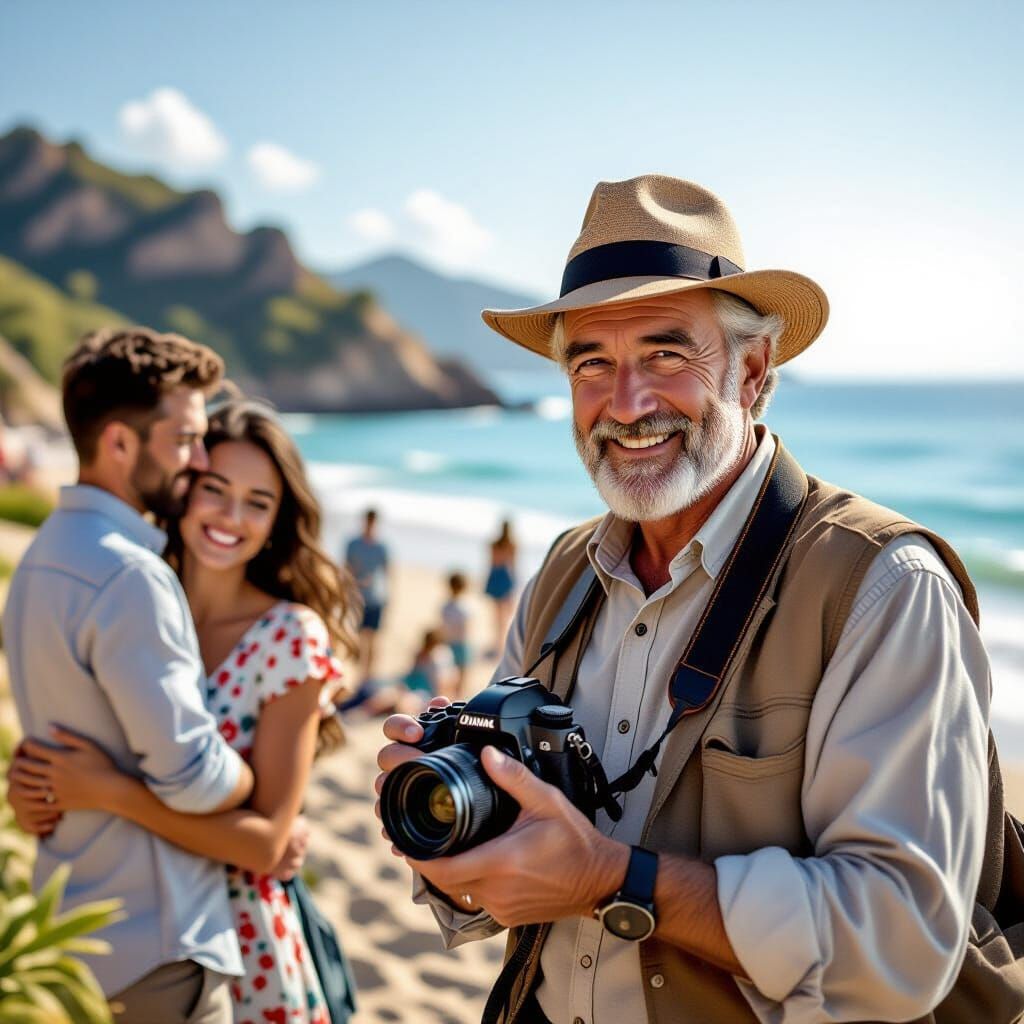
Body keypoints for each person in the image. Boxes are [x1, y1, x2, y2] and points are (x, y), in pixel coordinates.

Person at [375, 176, 992, 1023]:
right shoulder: (562, 572)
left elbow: (903, 945)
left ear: (752, 371)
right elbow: (509, 878)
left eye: (666, 354)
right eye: (592, 363)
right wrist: (455, 835)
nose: (626, 405)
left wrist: (608, 877)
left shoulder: (883, 585)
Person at [9, 398, 359, 1024]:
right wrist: (34, 790)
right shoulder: (130, 599)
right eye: (214, 490)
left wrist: (108, 792)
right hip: (121, 928)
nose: (230, 517)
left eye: (257, 502)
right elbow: (60, 769)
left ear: (279, 520)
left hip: (239, 942)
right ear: (183, 490)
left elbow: (266, 844)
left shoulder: (289, 638)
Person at [2, 327, 254, 1023]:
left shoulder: (40, 557)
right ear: (119, 443)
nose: (198, 462)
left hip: (75, 933)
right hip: (158, 947)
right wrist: (250, 776)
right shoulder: (128, 575)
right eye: (183, 440)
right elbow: (193, 778)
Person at [345, 508, 389, 684]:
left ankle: (367, 677)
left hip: (375, 597)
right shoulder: (353, 544)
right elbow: (347, 568)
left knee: (372, 639)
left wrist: (389, 595)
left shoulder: (381, 546)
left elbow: (386, 571)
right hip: (357, 597)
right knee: (357, 639)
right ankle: (358, 675)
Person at [483, 519, 517, 656]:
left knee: (496, 615)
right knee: (505, 615)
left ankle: (496, 644)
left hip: (496, 576)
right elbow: (513, 565)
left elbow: (491, 562)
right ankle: (500, 644)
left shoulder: (494, 544)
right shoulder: (512, 545)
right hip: (505, 577)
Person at [441, 571, 472, 698]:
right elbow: (467, 628)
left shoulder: (445, 606)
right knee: (462, 673)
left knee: (450, 672)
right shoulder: (464, 607)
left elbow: (443, 626)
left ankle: (453, 696)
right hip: (462, 643)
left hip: (448, 642)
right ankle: (458, 696)